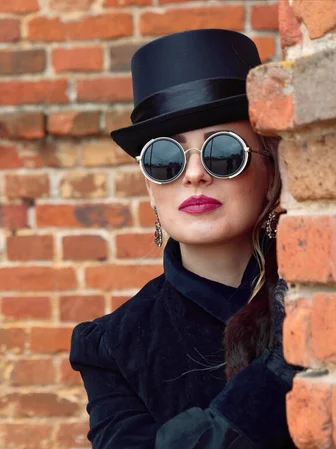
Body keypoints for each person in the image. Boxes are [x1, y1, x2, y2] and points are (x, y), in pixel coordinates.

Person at [69, 29, 302, 449]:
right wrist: (276, 374)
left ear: (271, 170)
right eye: (166, 159)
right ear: (150, 190)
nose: (194, 174)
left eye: (223, 152)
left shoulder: (318, 290)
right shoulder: (112, 346)